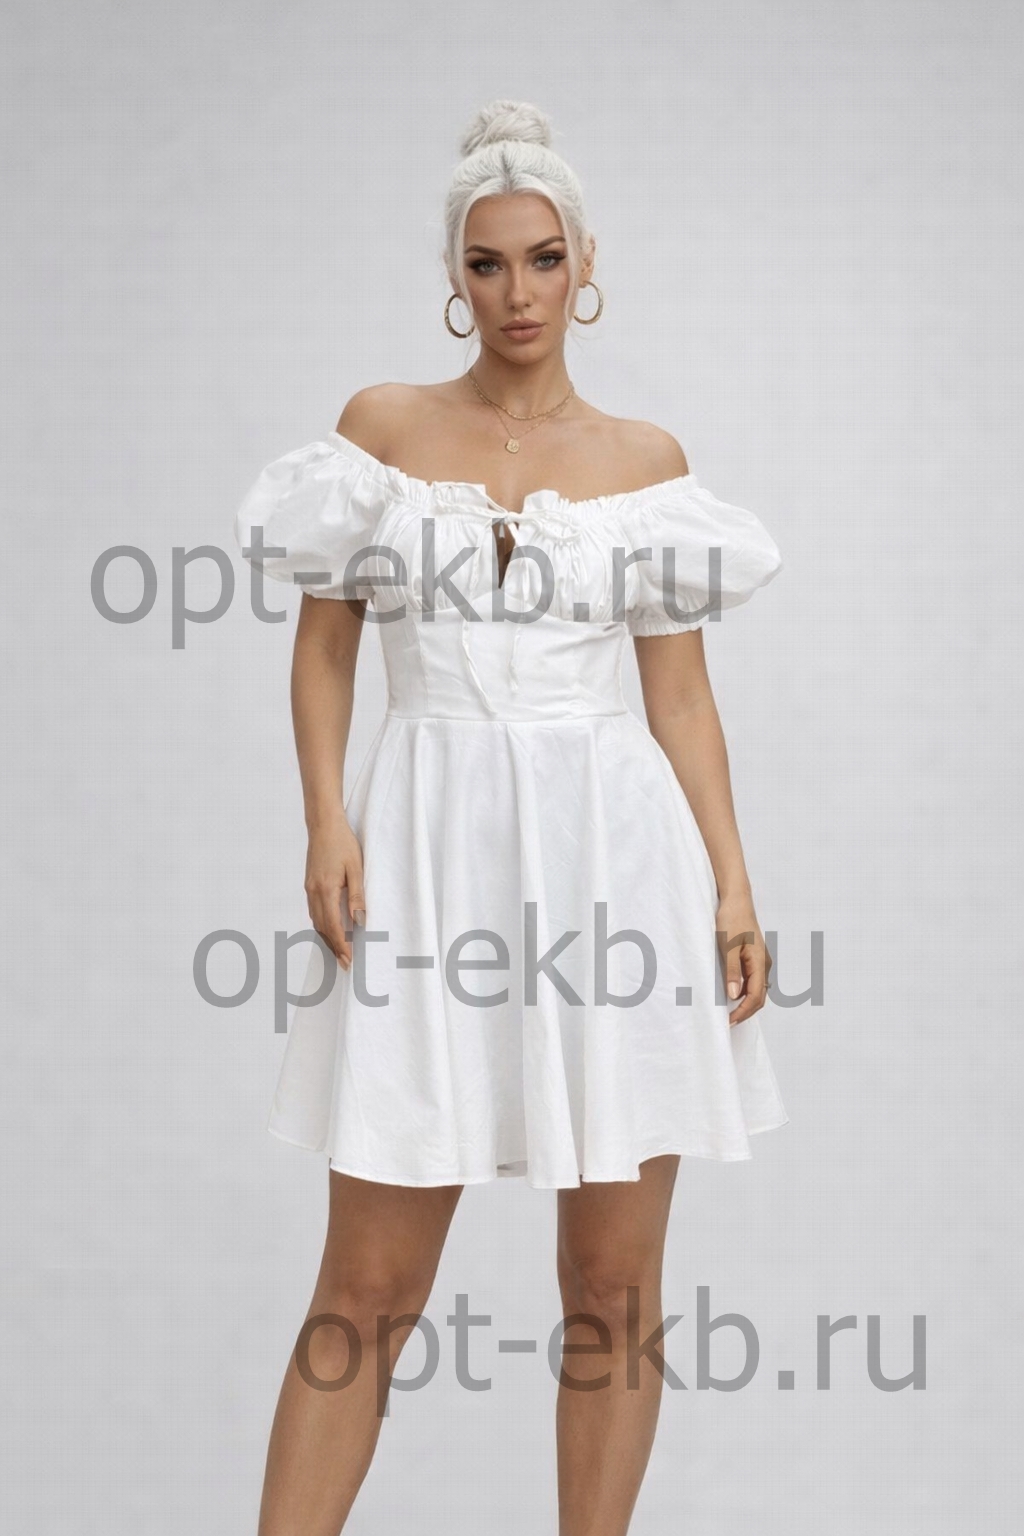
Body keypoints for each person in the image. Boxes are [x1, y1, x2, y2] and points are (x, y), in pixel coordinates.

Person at [234, 98, 788, 1536]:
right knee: (368, 1285)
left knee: (611, 1284)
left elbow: (681, 701)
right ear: (454, 276)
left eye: (544, 260)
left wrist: (732, 888)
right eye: (487, 265)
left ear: (586, 265)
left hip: (616, 867)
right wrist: (326, 823)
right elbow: (324, 650)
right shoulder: (380, 431)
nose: (518, 293)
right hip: (427, 855)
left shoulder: (644, 464)